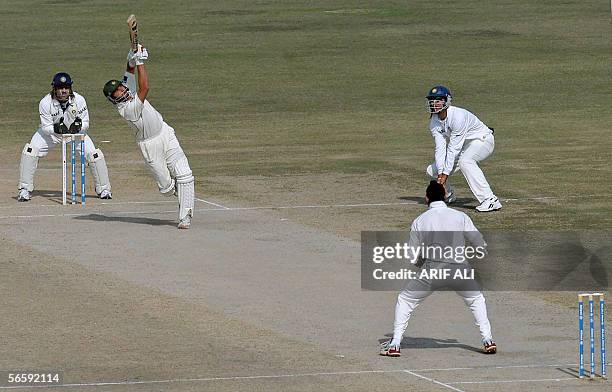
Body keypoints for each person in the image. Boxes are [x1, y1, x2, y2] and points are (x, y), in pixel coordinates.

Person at [380, 181, 496, 357]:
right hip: (460, 269)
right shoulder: (460, 216)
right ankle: (488, 340)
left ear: (427, 198)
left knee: (405, 300)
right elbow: (480, 244)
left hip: (432, 270)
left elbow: (412, 256)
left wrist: (421, 262)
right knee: (476, 300)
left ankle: (395, 343)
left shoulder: (419, 220)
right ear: (445, 196)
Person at [102, 46, 194, 229]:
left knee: (184, 174)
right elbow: (145, 87)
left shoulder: (128, 90)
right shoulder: (127, 110)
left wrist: (131, 60)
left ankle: (185, 216)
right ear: (113, 99)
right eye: (117, 91)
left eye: (120, 87)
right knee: (167, 188)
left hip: (165, 133)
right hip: (150, 146)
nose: (122, 90)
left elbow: (129, 74)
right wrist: (141, 62)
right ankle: (177, 190)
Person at [17, 72, 112, 201]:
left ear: (70, 88)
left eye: (66, 88)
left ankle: (104, 189)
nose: (63, 91)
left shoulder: (79, 100)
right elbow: (45, 127)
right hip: (51, 135)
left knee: (94, 155)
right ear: (54, 89)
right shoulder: (45, 102)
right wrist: (57, 129)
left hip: (75, 134)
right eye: (60, 88)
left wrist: (77, 128)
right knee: (30, 151)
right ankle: (24, 190)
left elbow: (86, 123)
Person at [425, 85, 501, 212]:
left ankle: (490, 200)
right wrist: (440, 176)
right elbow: (440, 149)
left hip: (482, 140)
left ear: (447, 101)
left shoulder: (458, 117)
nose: (434, 104)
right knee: (431, 171)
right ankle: (448, 195)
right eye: (432, 101)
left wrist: (444, 178)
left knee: (465, 161)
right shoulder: (434, 121)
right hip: (464, 146)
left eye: (438, 101)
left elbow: (453, 149)